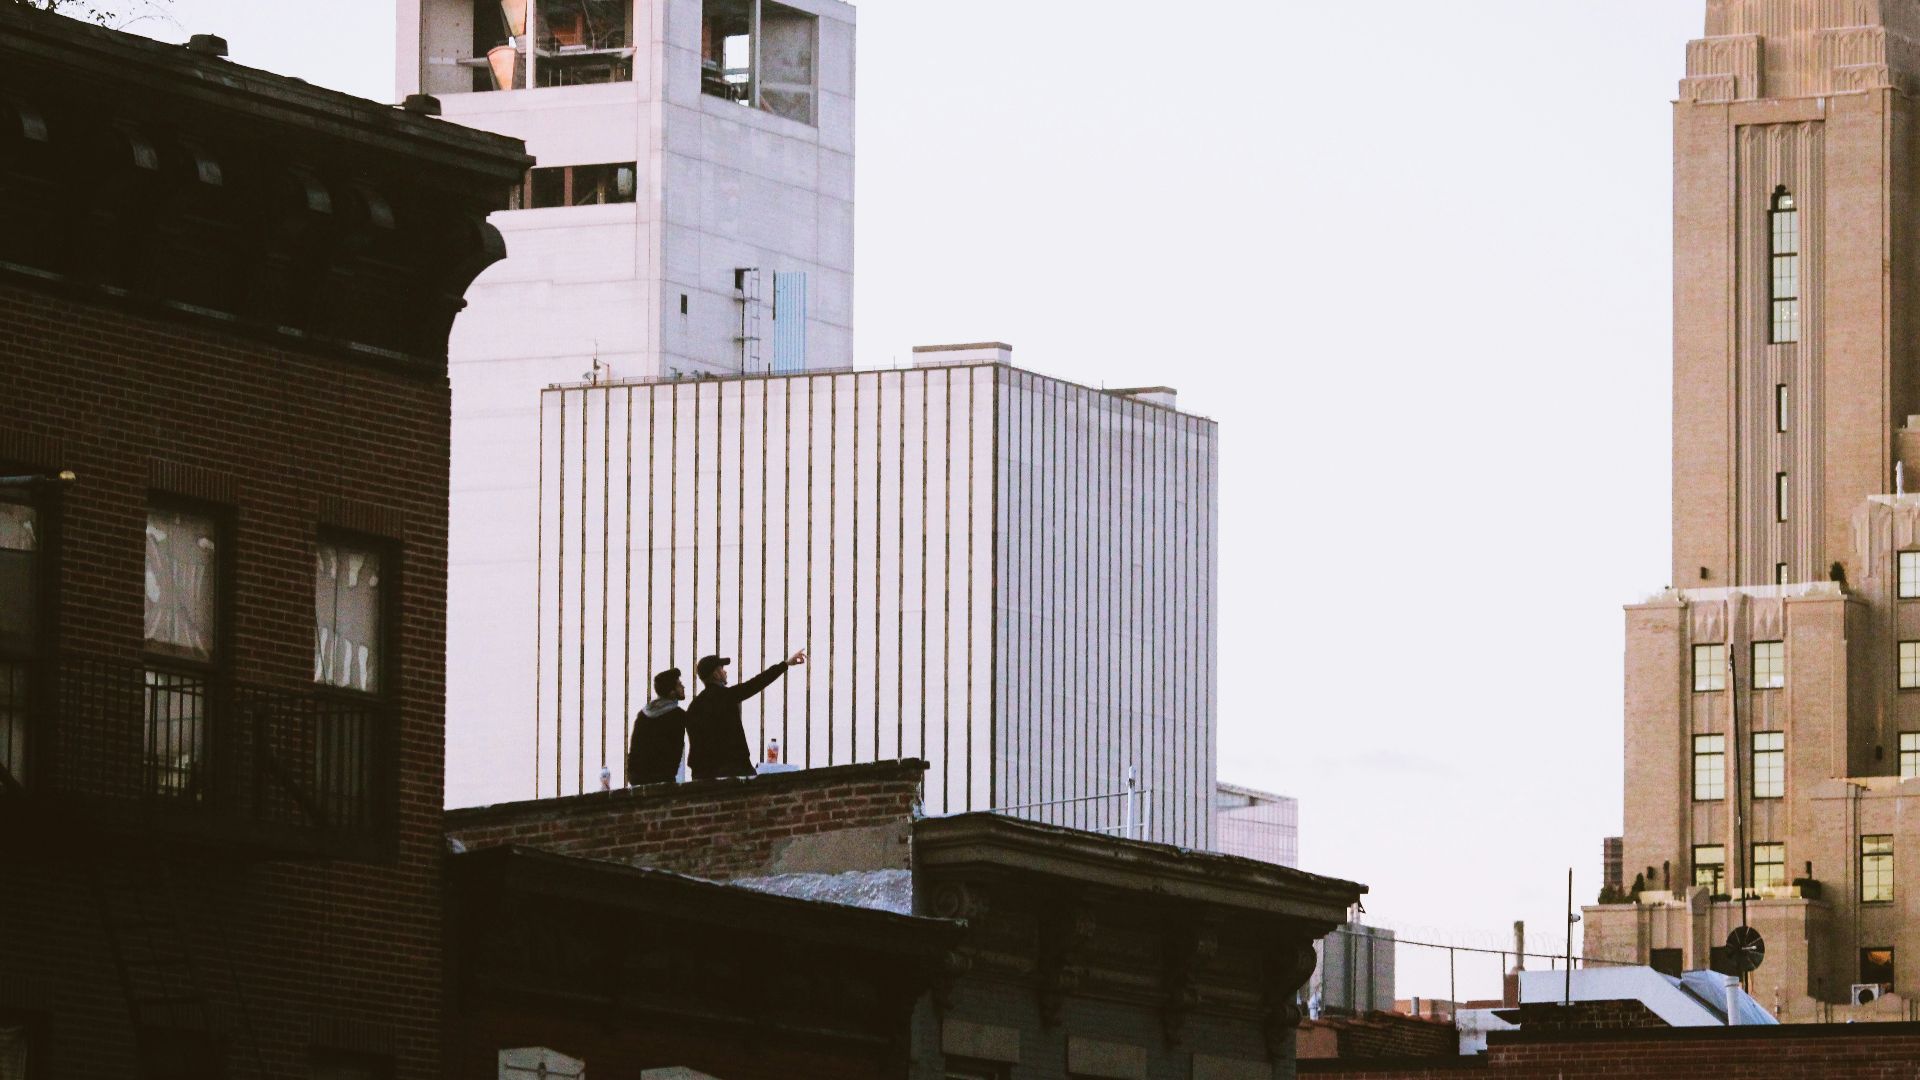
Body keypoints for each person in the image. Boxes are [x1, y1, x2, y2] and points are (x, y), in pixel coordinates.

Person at [685, 649, 804, 779]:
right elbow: (757, 683)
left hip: (703, 773)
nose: (725, 672)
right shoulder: (726, 696)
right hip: (733, 768)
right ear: (716, 675)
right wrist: (786, 664)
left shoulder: (694, 706)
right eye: (722, 669)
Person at [628, 667, 688, 785]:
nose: (683, 687)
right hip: (662, 778)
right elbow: (676, 749)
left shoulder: (644, 714)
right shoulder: (677, 715)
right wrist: (670, 775)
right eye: (679, 685)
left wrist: (632, 774)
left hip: (638, 778)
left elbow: (634, 748)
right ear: (672, 692)